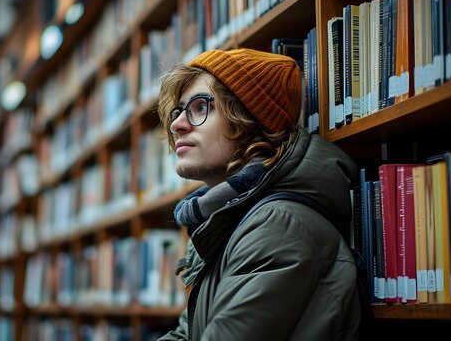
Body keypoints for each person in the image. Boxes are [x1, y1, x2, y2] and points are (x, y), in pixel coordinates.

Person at [155, 48, 362, 340]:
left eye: (200, 107)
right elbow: (185, 334)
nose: (177, 124)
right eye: (178, 111)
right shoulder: (225, 219)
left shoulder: (279, 226)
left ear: (249, 121)